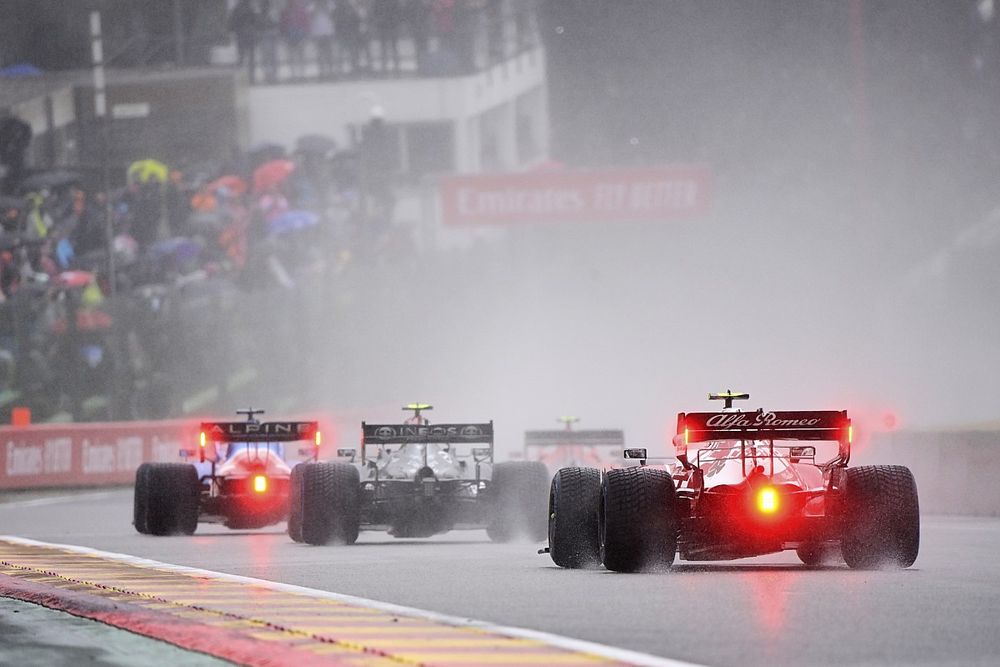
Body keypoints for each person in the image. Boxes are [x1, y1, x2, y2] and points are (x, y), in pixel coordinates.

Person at [281, 0, 312, 78]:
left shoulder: (301, 10)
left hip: (300, 35)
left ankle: (301, 73)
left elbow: (306, 23)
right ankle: (293, 73)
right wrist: (283, 35)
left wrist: (306, 34)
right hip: (290, 35)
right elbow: (283, 24)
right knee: (292, 55)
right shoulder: (285, 11)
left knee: (300, 54)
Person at [334, 0, 366, 73]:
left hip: (350, 33)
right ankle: (342, 69)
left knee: (352, 52)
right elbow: (337, 22)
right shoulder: (340, 9)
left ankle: (354, 68)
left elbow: (357, 21)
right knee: (345, 52)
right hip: (345, 34)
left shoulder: (349, 9)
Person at [228, 0, 259, 75]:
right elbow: (255, 21)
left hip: (241, 34)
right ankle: (251, 75)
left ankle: (242, 74)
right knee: (250, 56)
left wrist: (233, 30)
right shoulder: (251, 8)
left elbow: (233, 22)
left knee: (241, 55)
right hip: (250, 34)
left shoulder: (237, 8)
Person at [370, 0, 402, 73]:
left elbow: (374, 12)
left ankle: (390, 67)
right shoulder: (381, 2)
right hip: (387, 26)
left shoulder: (378, 2)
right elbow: (374, 12)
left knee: (390, 48)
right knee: (389, 48)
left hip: (387, 26)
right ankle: (389, 67)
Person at [311, 0, 337, 77]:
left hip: (329, 31)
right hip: (318, 32)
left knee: (329, 53)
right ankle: (322, 72)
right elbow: (311, 16)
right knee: (320, 53)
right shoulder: (314, 5)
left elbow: (334, 15)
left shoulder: (330, 4)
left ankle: (331, 71)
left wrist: (325, 9)